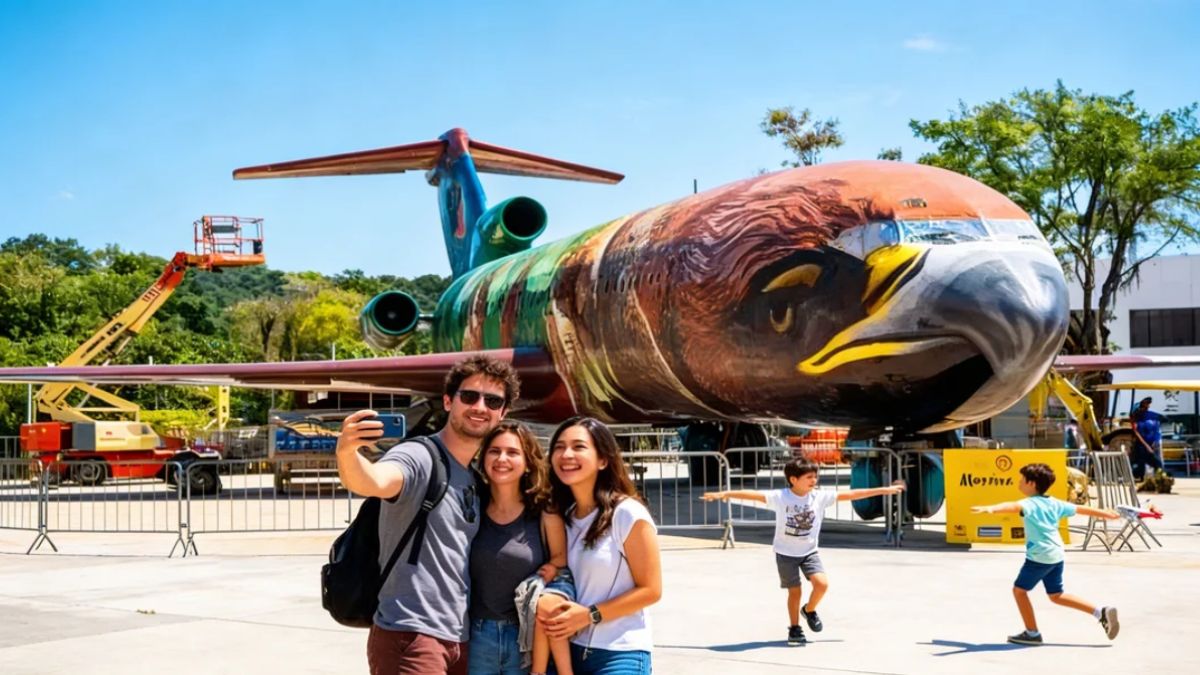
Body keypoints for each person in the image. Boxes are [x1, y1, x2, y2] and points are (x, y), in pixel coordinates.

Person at [335, 355, 520, 675]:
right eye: (469, 396)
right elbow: (375, 480)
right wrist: (347, 453)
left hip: (457, 640)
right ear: (448, 401)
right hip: (411, 636)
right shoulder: (420, 456)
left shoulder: (473, 477)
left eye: (492, 401)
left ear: (502, 413)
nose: (480, 407)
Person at [702, 458, 905, 646]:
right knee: (795, 592)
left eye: (815, 476)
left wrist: (884, 490)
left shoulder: (820, 497)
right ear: (793, 479)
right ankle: (794, 628)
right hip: (785, 553)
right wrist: (725, 494)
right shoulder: (781, 497)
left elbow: (852, 494)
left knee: (822, 584)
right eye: (809, 477)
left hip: (809, 552)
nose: (814, 480)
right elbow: (751, 494)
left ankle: (809, 610)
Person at [540, 417, 662, 674]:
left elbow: (651, 590)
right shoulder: (565, 516)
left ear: (603, 460)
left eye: (579, 447)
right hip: (570, 649)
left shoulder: (627, 513)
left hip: (619, 651)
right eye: (559, 447)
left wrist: (589, 615)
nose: (566, 454)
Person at [971, 462, 1123, 645]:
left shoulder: (1029, 504)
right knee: (1056, 595)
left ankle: (1032, 633)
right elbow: (1081, 509)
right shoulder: (1055, 503)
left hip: (1039, 556)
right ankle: (1101, 612)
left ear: (1032, 484)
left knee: (1019, 591)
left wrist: (992, 508)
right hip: (1056, 555)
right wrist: (1107, 514)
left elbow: (1012, 506)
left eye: (1022, 480)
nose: (1019, 483)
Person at [468, 420, 575, 675]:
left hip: (526, 640)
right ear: (483, 458)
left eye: (513, 452)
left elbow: (561, 559)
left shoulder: (544, 511)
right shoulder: (472, 508)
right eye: (494, 451)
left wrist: (550, 570)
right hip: (476, 637)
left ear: (528, 462)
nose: (502, 458)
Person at [1131, 397, 1168, 478]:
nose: (1146, 407)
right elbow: (1136, 432)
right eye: (1144, 406)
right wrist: (1147, 446)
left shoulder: (1152, 415)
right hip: (1142, 446)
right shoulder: (1136, 417)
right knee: (1143, 465)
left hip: (1154, 443)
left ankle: (1160, 478)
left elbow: (1162, 421)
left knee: (1158, 463)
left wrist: (1156, 441)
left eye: (1147, 405)